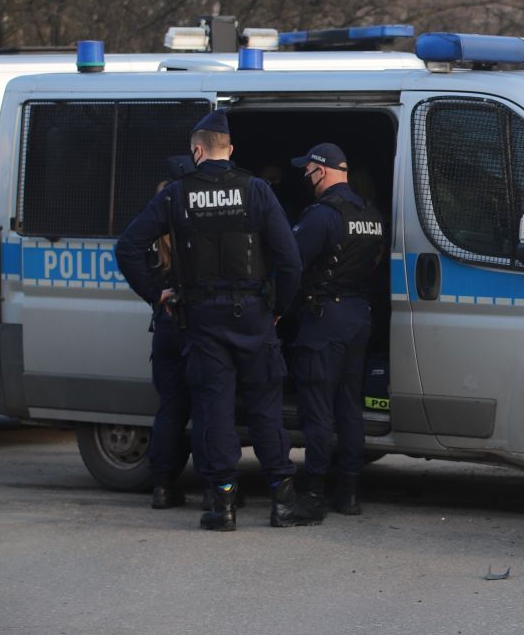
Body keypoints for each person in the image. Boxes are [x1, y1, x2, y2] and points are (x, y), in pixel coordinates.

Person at [116, 110, 312, 531]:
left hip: (202, 320)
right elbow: (290, 261)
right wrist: (277, 307)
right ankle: (282, 501)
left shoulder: (176, 195)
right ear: (230, 150)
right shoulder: (257, 190)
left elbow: (128, 247)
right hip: (254, 317)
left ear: (197, 150)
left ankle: (222, 506)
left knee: (215, 410)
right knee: (265, 409)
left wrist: (158, 293)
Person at [288, 144, 385, 517]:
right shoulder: (370, 213)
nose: (305, 178)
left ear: (321, 171)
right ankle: (348, 491)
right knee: (349, 407)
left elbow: (291, 263)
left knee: (317, 409)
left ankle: (312, 493)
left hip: (325, 319)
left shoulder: (322, 215)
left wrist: (278, 308)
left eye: (307, 171)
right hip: (358, 316)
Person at [131, 155, 197, 509]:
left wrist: (155, 296)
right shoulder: (193, 215)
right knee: (206, 407)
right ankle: (218, 487)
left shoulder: (155, 218)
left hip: (166, 326)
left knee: (170, 409)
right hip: (194, 325)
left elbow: (129, 251)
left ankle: (161, 486)